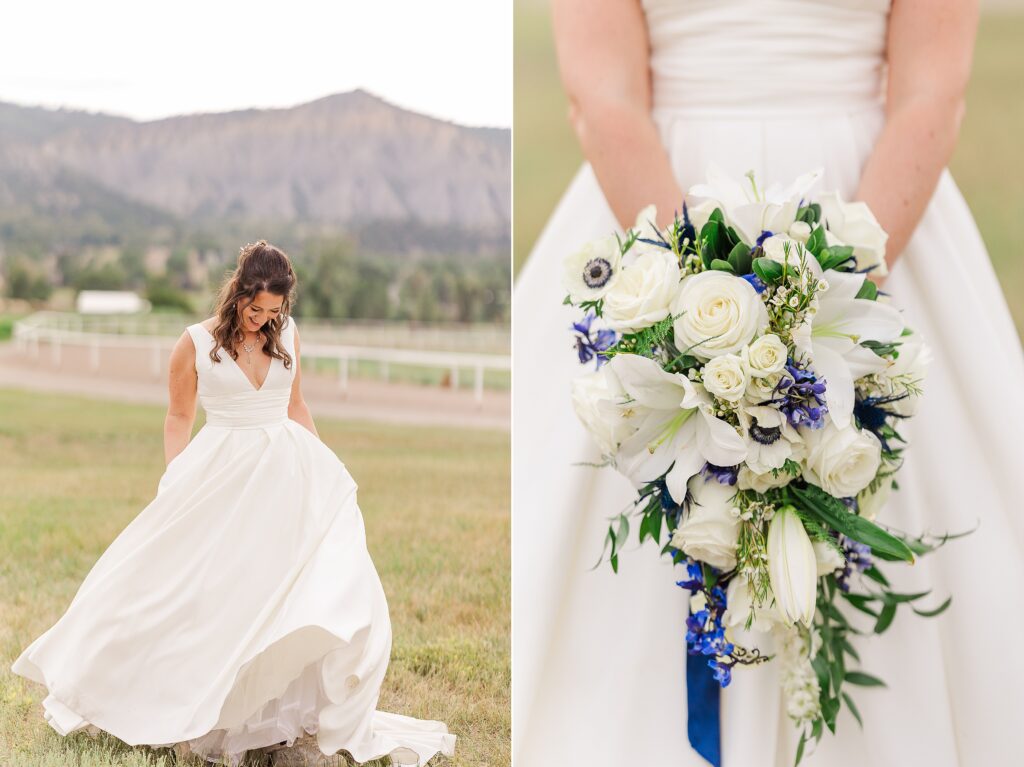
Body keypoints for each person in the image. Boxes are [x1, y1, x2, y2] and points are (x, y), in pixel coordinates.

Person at [512, 1, 1024, 765]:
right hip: (654, 201)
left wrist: (830, 306)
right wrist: (688, 304)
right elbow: (603, 93)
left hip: (875, 208)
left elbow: (931, 91)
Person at [11, 240, 456, 766]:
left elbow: (295, 405)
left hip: (286, 476)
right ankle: (163, 697)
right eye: (256, 309)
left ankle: (273, 714)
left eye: (274, 311)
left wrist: (325, 467)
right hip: (221, 475)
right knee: (202, 592)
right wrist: (177, 480)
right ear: (238, 293)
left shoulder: (288, 335)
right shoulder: (196, 343)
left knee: (291, 590)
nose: (264, 320)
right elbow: (178, 418)